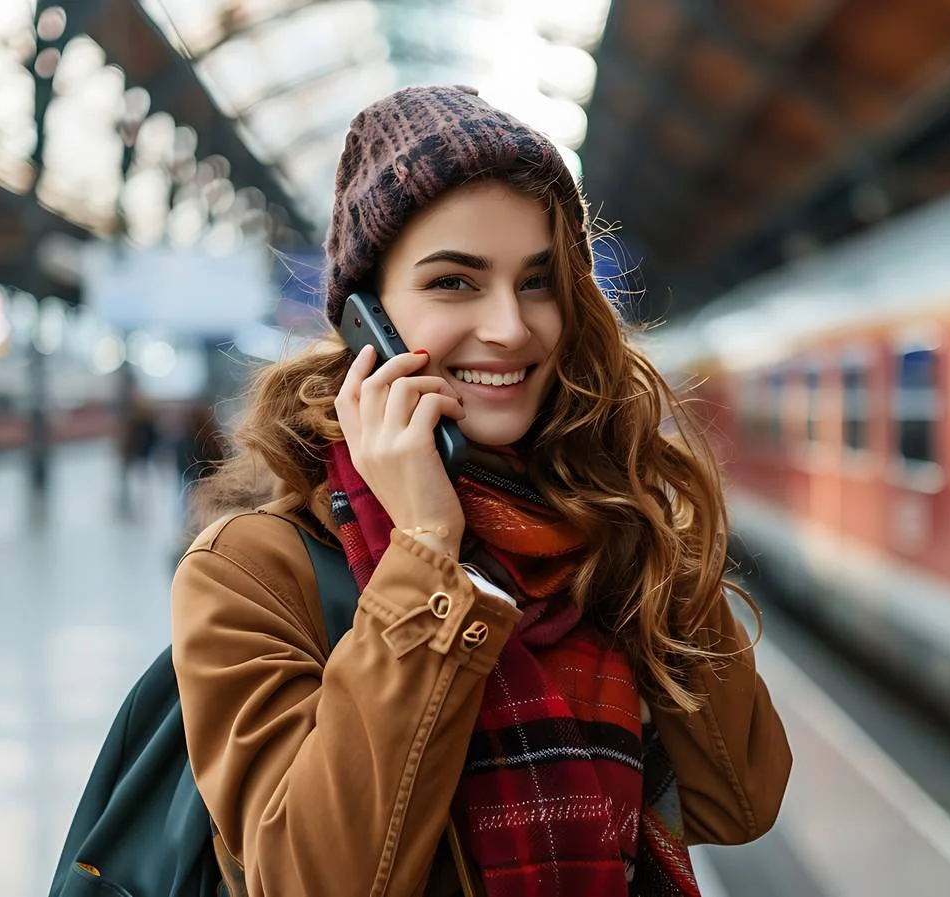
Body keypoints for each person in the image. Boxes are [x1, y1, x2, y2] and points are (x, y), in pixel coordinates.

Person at [173, 85, 791, 897]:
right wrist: (426, 545)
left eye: (537, 282)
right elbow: (311, 878)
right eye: (455, 283)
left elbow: (741, 795)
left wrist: (639, 513)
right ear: (367, 315)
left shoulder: (604, 528)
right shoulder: (250, 572)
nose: (509, 326)